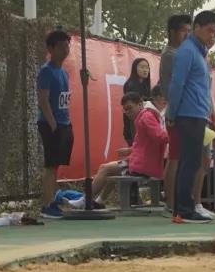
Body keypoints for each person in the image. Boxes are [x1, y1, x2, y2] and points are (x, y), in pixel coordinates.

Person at [167, 10, 215, 224]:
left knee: (192, 162)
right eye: (209, 30)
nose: (212, 36)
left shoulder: (200, 54)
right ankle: (184, 210)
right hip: (187, 114)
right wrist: (172, 113)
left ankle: (184, 208)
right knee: (189, 162)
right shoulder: (187, 51)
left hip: (198, 114)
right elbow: (177, 84)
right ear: (196, 27)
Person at [37, 30, 87, 219]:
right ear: (51, 49)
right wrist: (53, 124)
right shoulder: (46, 71)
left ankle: (53, 200)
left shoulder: (64, 73)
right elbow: (43, 99)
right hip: (52, 125)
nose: (65, 49)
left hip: (64, 124)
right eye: (61, 46)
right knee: (50, 166)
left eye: (67, 45)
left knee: (56, 166)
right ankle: (47, 206)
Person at [91, 90, 168, 203]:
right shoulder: (144, 116)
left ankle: (86, 200)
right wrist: (129, 150)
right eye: (125, 110)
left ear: (140, 104)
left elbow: (160, 136)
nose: (127, 112)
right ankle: (99, 201)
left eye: (130, 108)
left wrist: (174, 135)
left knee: (105, 168)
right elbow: (147, 143)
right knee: (110, 170)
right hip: (143, 163)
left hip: (142, 166)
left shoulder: (146, 117)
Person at [158, 14, 191, 212]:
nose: (186, 35)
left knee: (182, 158)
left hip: (184, 109)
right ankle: (170, 201)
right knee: (175, 157)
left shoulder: (181, 52)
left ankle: (179, 199)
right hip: (177, 110)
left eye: (189, 31)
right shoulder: (171, 55)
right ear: (172, 32)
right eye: (183, 31)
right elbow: (174, 86)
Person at [122, 58, 151, 146]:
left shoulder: (146, 85)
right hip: (133, 124)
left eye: (147, 67)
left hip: (144, 122)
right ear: (135, 69)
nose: (145, 70)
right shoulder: (130, 85)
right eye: (142, 67)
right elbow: (132, 106)